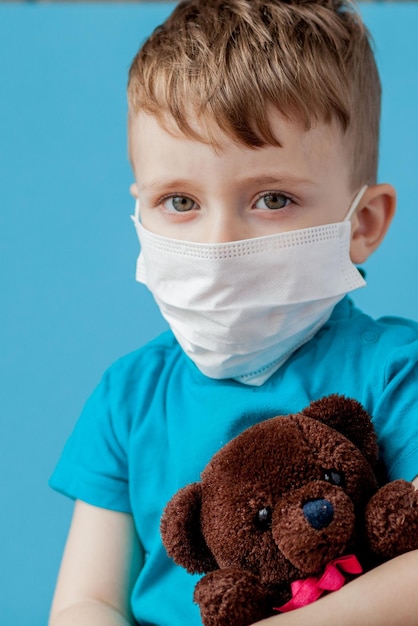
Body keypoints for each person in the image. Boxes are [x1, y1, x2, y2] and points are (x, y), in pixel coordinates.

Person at [48, 1, 418, 625]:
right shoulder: (129, 396)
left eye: (273, 198)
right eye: (180, 200)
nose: (219, 243)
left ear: (362, 223)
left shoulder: (394, 374)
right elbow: (88, 599)